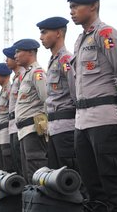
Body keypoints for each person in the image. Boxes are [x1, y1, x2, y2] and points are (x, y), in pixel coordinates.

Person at [66, 0, 117, 211]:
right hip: (82, 121)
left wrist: (112, 98)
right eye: (70, 7)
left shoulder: (106, 34)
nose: (71, 11)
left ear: (92, 6)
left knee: (113, 181)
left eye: (75, 6)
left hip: (104, 118)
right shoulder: (80, 40)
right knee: (92, 184)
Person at [37, 16, 78, 170]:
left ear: (59, 33)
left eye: (44, 32)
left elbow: (75, 92)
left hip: (66, 126)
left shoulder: (65, 59)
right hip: (54, 127)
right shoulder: (53, 60)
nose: (41, 37)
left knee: (70, 175)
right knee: (56, 177)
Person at [13, 38, 49, 183]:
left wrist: (45, 126)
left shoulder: (37, 72)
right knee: (28, 173)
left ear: (30, 52)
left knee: (36, 171)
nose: (15, 56)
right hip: (24, 131)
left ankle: (41, 204)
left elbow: (46, 99)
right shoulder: (27, 74)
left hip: (33, 129)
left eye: (18, 51)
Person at [4, 45, 25, 176]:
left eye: (7, 58)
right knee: (16, 160)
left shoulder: (23, 75)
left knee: (23, 161)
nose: (5, 61)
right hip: (13, 124)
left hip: (21, 123)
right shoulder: (16, 78)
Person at [0, 62, 14, 171]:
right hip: (0, 134)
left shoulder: (10, 89)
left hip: (7, 132)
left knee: (9, 166)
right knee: (2, 167)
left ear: (3, 74)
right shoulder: (2, 91)